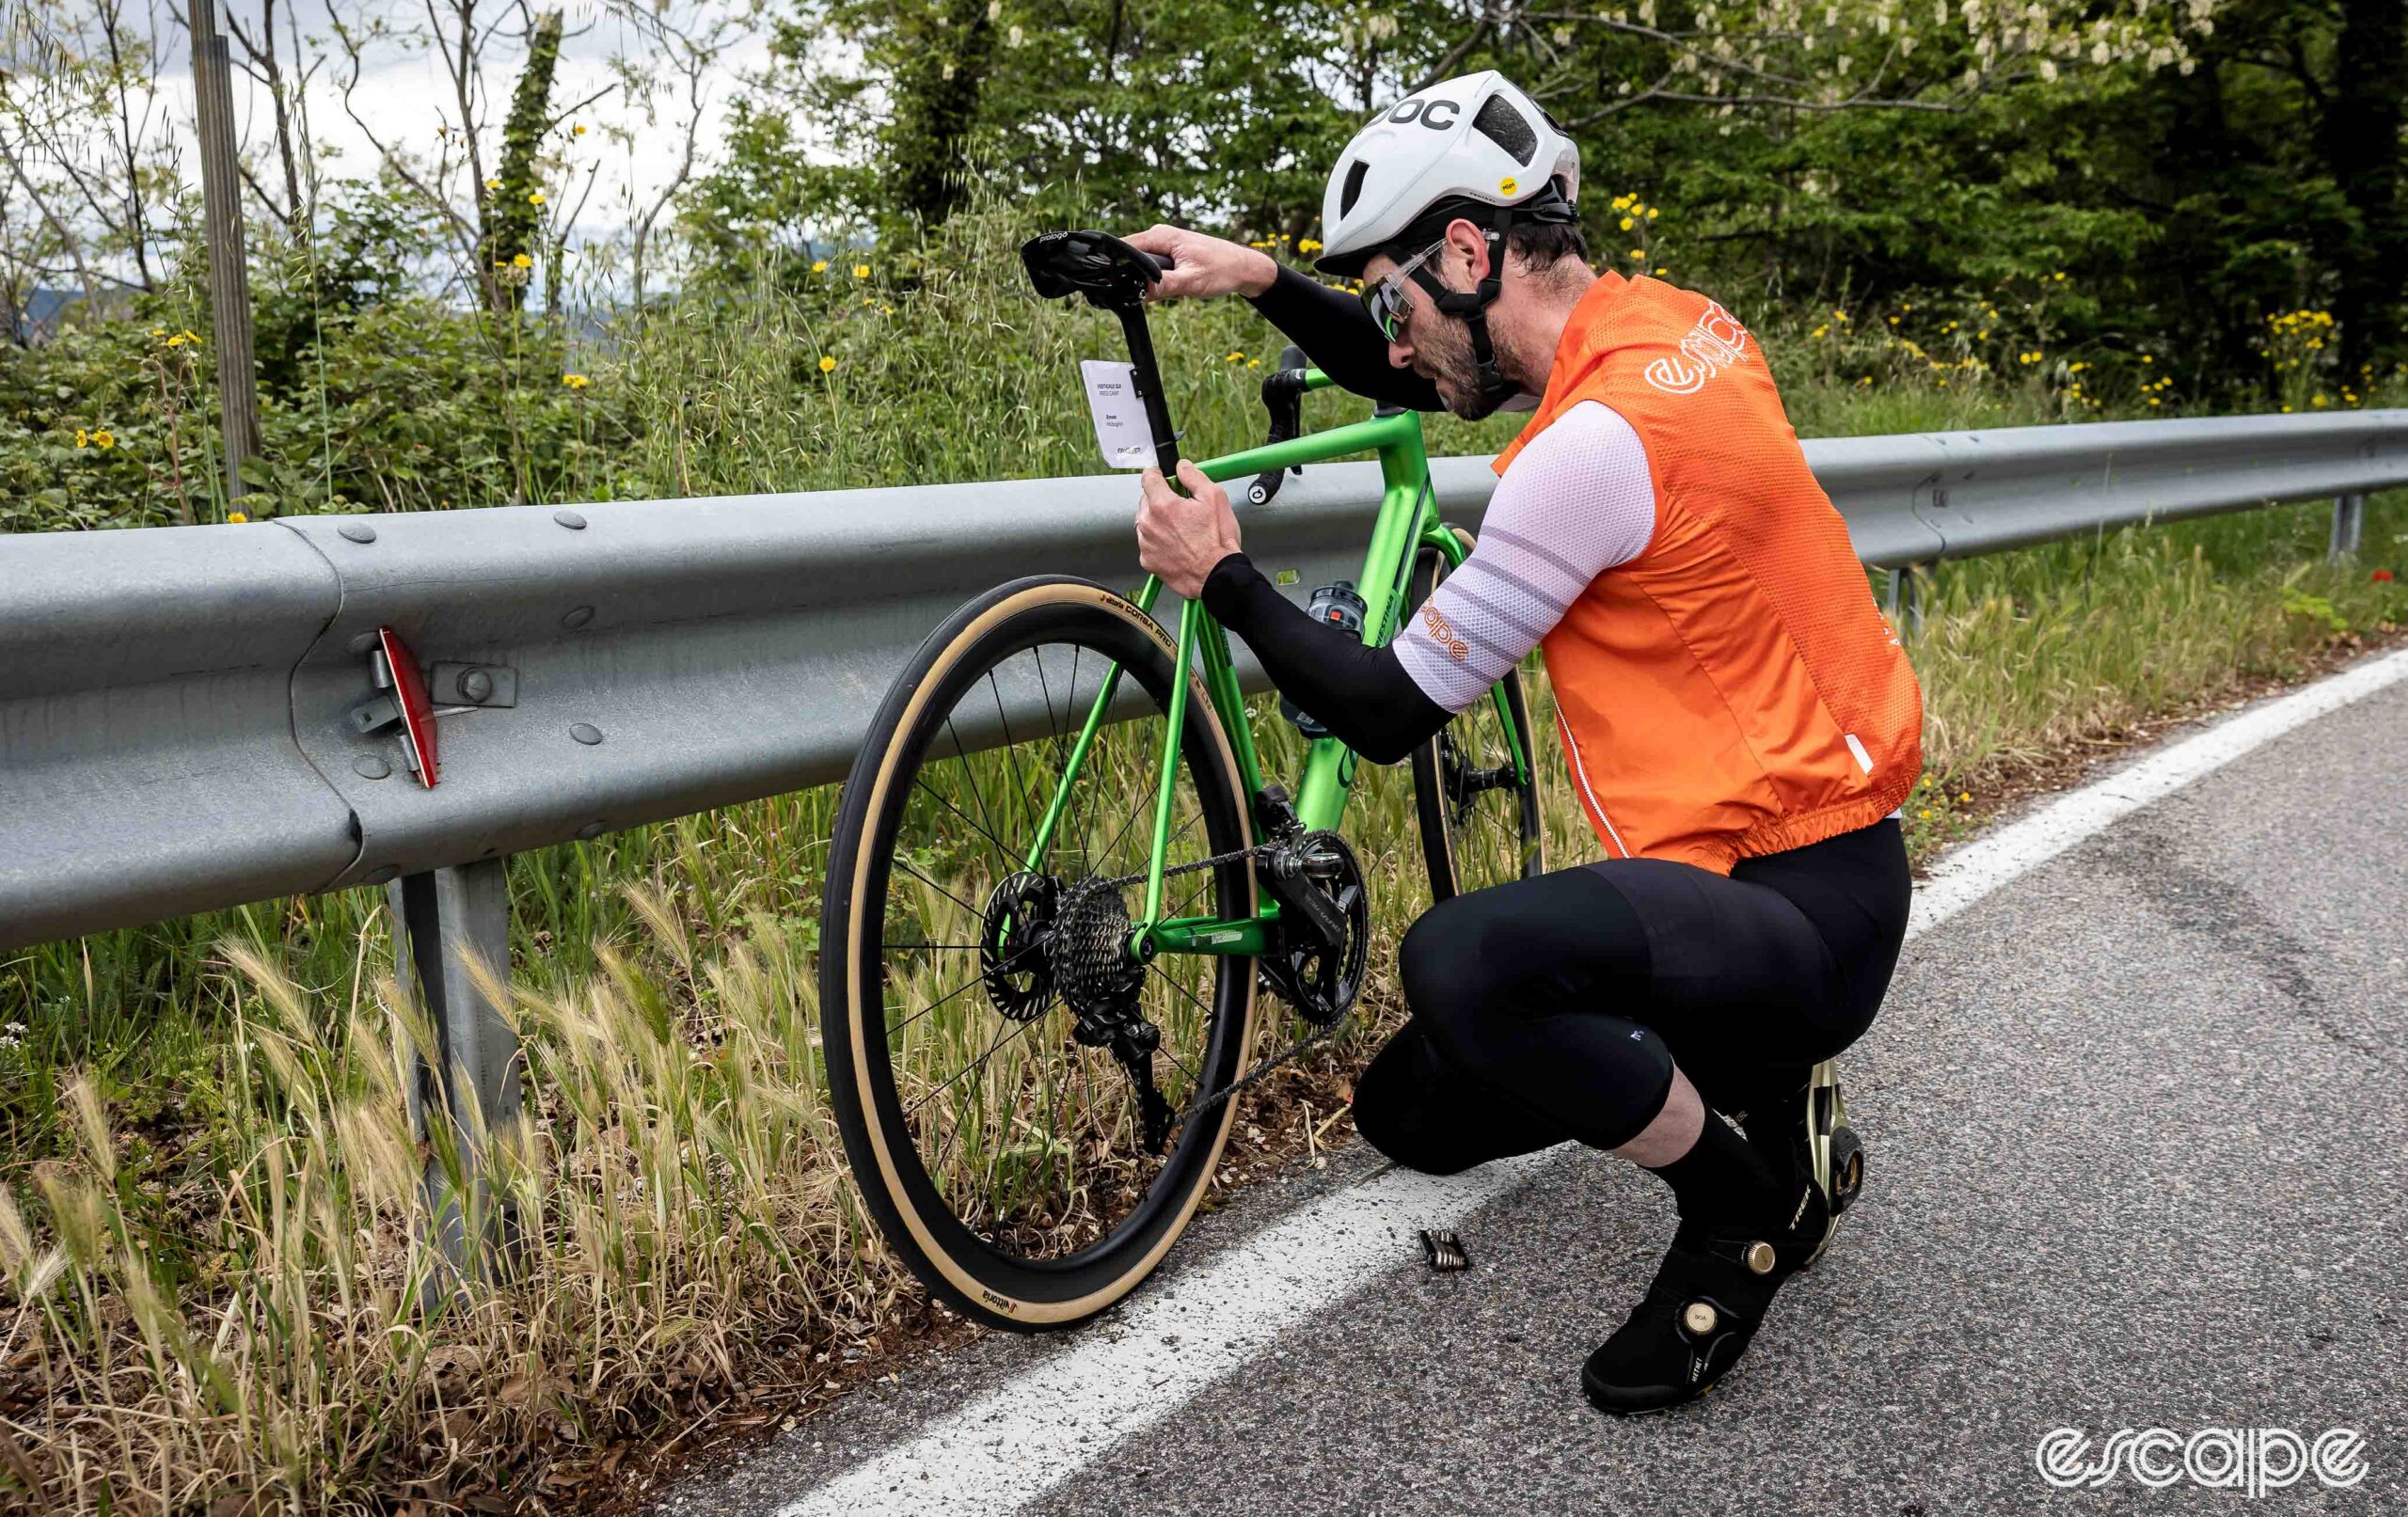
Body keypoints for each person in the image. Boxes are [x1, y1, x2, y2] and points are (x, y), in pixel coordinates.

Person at [1120, 71, 1924, 1414]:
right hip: (1798, 866)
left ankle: (1748, 1200)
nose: (1397, 343)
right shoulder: (1679, 330)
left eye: (1400, 300)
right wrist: (1257, 276)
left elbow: (1383, 713)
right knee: (1412, 1117)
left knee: (1464, 967)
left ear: (1473, 253)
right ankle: (1766, 1094)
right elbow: (1421, 363)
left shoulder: (1585, 454)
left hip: (1791, 911)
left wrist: (1228, 580)